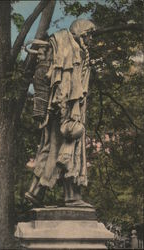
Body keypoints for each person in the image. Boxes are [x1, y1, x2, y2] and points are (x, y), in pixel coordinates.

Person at [25, 19, 96, 207]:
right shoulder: (69, 50)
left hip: (66, 112)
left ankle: (36, 192)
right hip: (64, 112)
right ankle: (71, 196)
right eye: (88, 34)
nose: (90, 39)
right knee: (65, 151)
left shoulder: (77, 50)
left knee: (55, 151)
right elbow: (63, 85)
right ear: (80, 34)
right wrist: (68, 115)